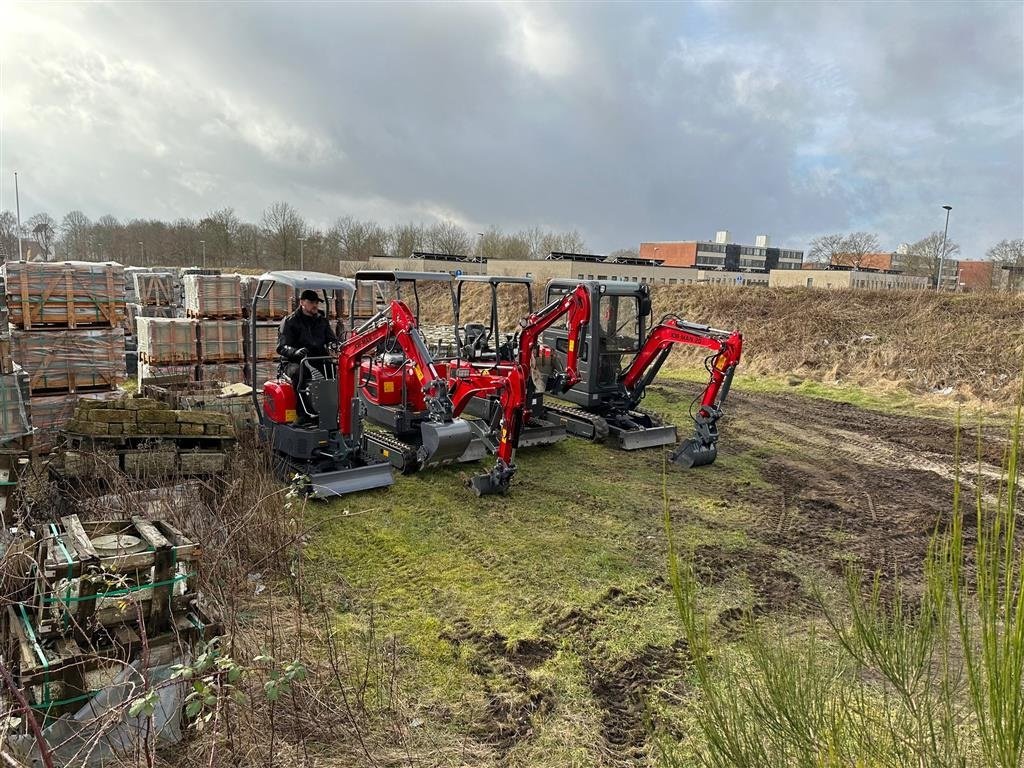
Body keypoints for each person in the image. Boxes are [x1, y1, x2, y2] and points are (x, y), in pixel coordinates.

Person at [277, 289, 339, 399]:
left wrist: (334, 345)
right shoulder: (290, 321)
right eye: (311, 302)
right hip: (295, 361)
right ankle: (302, 411)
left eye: (316, 302)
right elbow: (282, 347)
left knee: (334, 371)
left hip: (318, 359)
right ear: (302, 303)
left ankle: (331, 407)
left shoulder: (322, 321)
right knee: (299, 373)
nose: (315, 305)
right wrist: (295, 352)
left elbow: (331, 339)